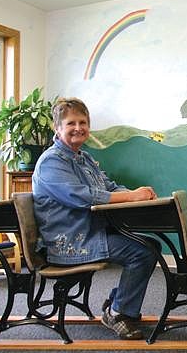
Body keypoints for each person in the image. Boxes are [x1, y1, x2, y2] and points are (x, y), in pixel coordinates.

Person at [32, 97, 158, 340]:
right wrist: (131, 196)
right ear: (57, 128)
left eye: (83, 122)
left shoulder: (84, 158)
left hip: (92, 232)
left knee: (151, 246)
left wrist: (137, 194)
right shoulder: (51, 161)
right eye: (71, 123)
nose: (78, 128)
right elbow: (83, 197)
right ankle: (117, 313)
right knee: (142, 253)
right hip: (69, 241)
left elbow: (108, 186)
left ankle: (118, 303)